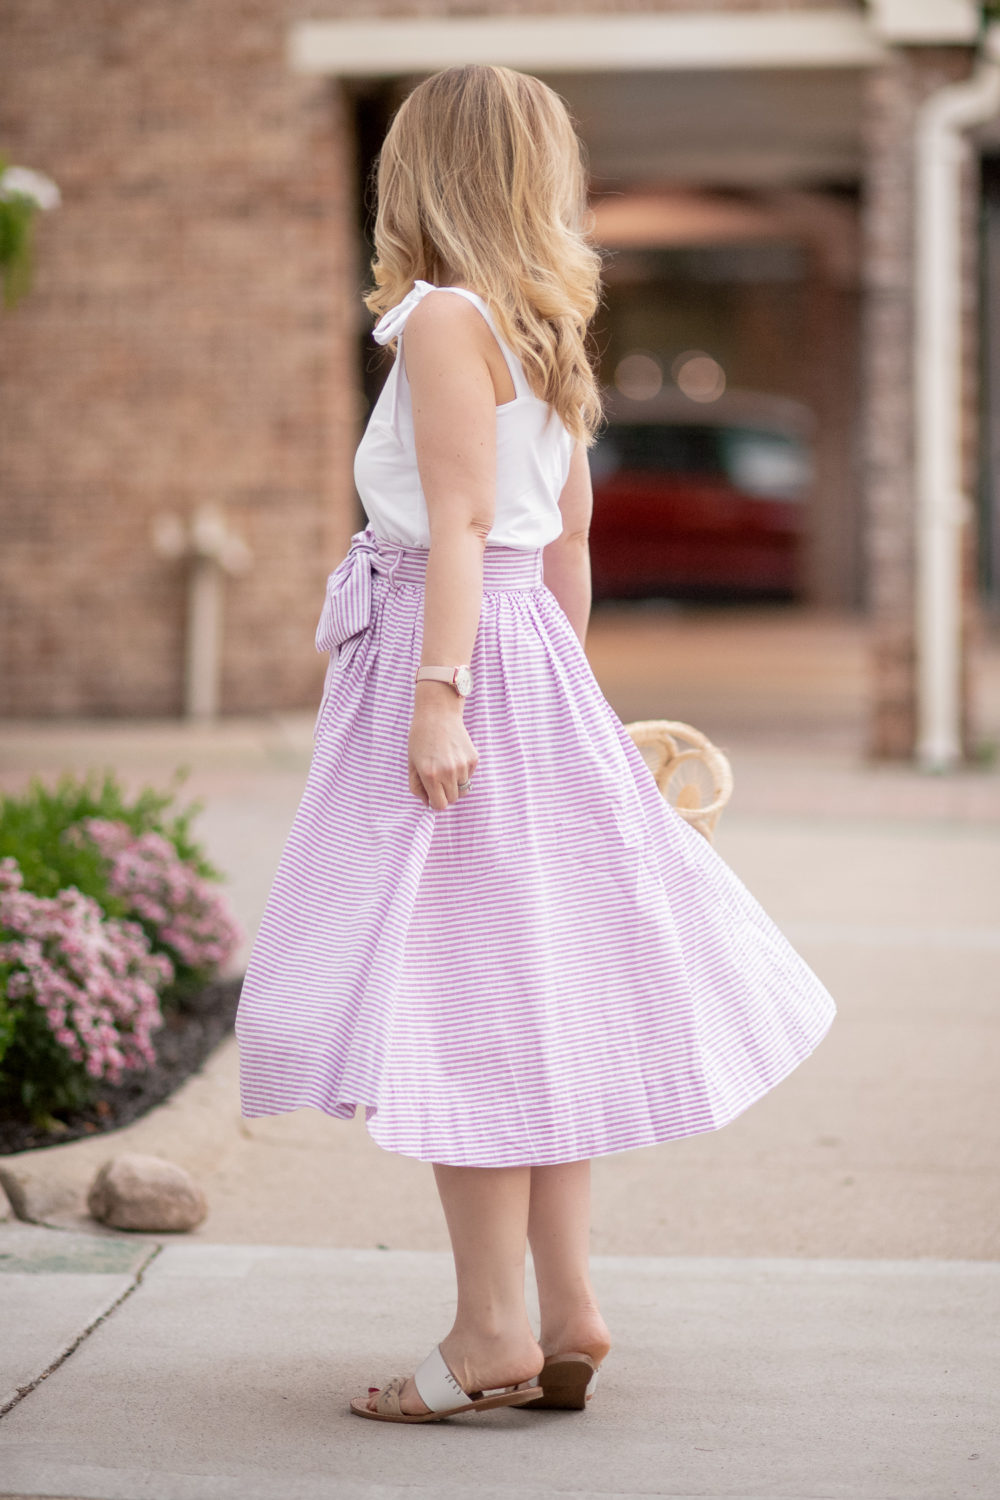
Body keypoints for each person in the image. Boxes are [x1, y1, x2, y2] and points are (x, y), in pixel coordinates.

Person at [234, 64, 836, 1426]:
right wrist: (566, 708)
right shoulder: (544, 326)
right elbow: (562, 554)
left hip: (456, 665)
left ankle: (489, 1331)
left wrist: (441, 693)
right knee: (536, 998)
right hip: (529, 665)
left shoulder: (445, 320)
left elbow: (456, 529)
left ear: (422, 174)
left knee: (461, 1012)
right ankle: (568, 1310)